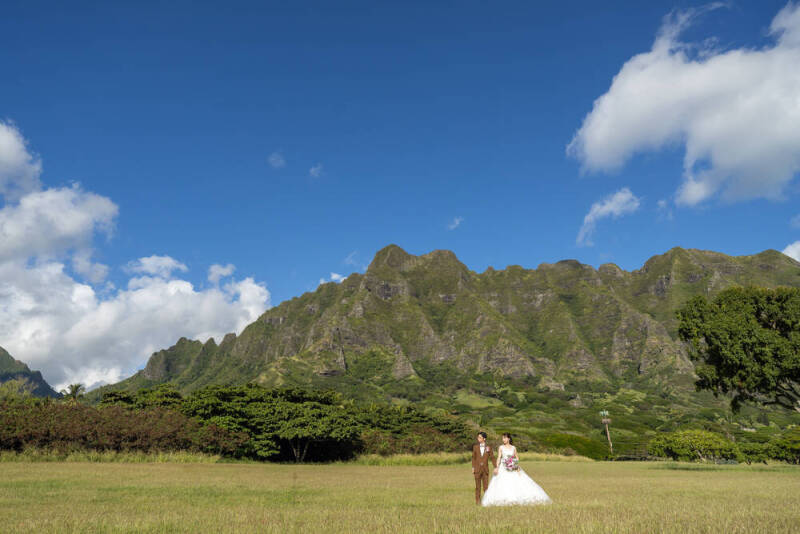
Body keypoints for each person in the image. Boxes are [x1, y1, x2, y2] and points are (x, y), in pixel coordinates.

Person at [481, 433, 552, 506]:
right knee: (503, 482)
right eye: (502, 438)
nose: (503, 440)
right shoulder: (501, 447)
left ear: (509, 439)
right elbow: (499, 457)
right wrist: (496, 467)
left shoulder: (513, 448)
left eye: (505, 438)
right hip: (503, 467)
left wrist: (514, 462)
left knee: (518, 481)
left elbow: (517, 457)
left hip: (513, 466)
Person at [471, 431, 496, 505]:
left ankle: (486, 501)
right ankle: (477, 501)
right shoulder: (475, 447)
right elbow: (473, 458)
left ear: (484, 439)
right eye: (478, 437)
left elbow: (492, 458)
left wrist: (496, 467)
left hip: (485, 470)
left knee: (486, 487)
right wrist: (473, 467)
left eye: (480, 437)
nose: (478, 438)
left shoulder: (489, 447)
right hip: (477, 469)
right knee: (477, 487)